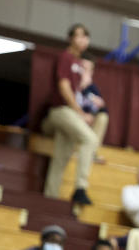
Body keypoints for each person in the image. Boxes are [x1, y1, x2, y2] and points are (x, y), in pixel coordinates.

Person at [41, 24, 98, 204]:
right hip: (60, 111)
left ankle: (50, 198)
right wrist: (80, 112)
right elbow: (64, 87)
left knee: (60, 159)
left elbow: (78, 90)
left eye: (86, 37)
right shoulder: (65, 57)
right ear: (70, 38)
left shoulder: (79, 64)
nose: (83, 40)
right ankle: (80, 188)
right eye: (79, 36)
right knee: (90, 139)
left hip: (68, 114)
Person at [76, 59, 108, 163]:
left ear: (91, 72)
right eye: (83, 68)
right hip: (73, 115)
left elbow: (102, 107)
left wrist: (92, 112)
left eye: (88, 70)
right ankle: (75, 150)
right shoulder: (71, 80)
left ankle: (91, 152)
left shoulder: (92, 88)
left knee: (102, 117)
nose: (84, 72)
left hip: (86, 118)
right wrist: (81, 86)